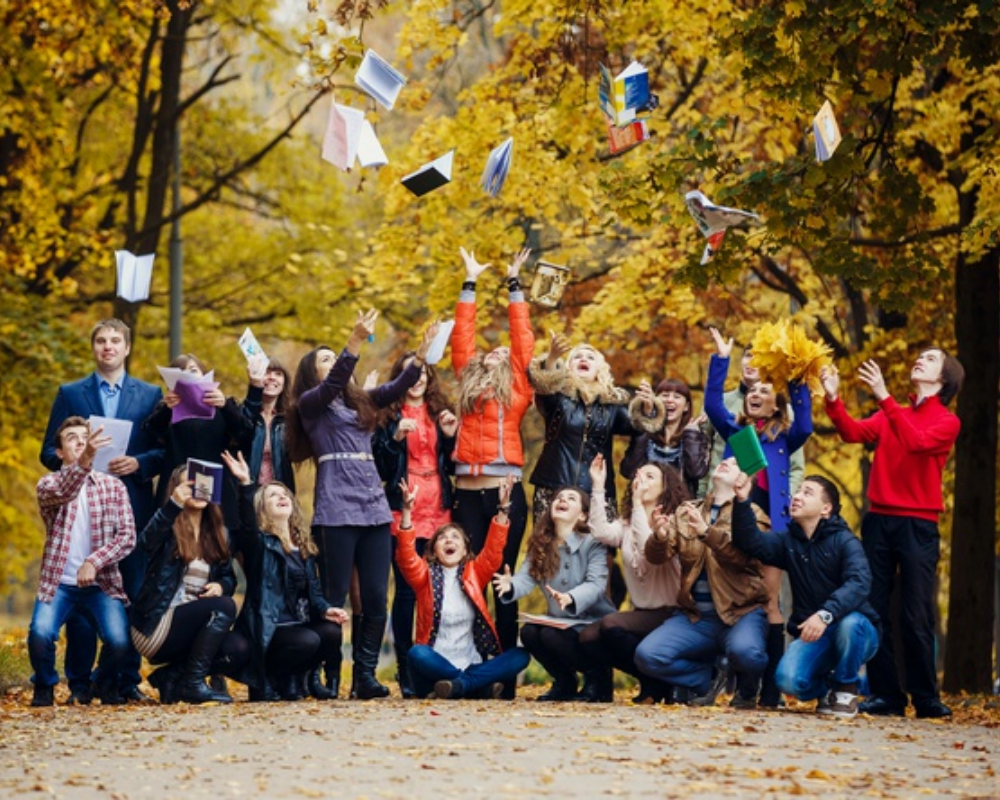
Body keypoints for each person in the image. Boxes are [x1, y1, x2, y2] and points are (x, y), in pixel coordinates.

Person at [285, 310, 438, 700]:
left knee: (374, 596)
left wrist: (420, 355)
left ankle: (365, 676)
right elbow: (335, 380)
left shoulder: (360, 403)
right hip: (336, 507)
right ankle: (328, 675)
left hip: (372, 505)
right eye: (324, 360)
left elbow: (395, 387)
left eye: (333, 358)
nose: (333, 365)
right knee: (334, 596)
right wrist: (353, 342)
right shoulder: (311, 404)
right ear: (311, 373)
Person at [820, 350, 963, 719]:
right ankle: (887, 695)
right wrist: (833, 399)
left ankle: (926, 697)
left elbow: (915, 441)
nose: (919, 360)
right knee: (875, 610)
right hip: (880, 522)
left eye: (930, 359)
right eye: (919, 356)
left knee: (916, 613)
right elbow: (851, 432)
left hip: (918, 525)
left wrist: (884, 396)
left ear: (944, 378)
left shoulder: (947, 421)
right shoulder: (891, 414)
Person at [40, 318, 164, 704]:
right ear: (93, 348)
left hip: (131, 510)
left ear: (127, 348)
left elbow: (164, 452)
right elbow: (48, 452)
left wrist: (139, 463)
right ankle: (79, 684)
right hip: (80, 514)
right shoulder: (71, 393)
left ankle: (122, 681)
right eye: (101, 341)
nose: (108, 347)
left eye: (115, 341)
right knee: (81, 600)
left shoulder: (149, 394)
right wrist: (77, 464)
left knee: (130, 594)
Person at [703, 327, 813, 706]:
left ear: (776, 406)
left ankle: (768, 690)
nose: (755, 394)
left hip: (774, 530)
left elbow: (807, 425)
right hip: (738, 524)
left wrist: (799, 376)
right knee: (738, 598)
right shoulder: (736, 432)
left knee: (769, 601)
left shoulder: (785, 438)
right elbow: (713, 406)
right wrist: (721, 360)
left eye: (765, 391)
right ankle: (741, 682)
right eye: (751, 391)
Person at [730, 472, 880, 718]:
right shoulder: (788, 541)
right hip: (815, 636)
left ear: (826, 509)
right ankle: (826, 690)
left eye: (807, 493)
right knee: (788, 680)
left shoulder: (845, 541)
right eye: (797, 491)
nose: (796, 497)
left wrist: (825, 614)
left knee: (851, 624)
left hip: (858, 633)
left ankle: (846, 689)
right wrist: (743, 500)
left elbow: (860, 582)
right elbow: (750, 543)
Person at [450, 246, 534, 681]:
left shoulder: (519, 384)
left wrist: (514, 283)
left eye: (505, 353)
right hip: (466, 491)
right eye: (492, 351)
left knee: (503, 575)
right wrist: (470, 282)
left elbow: (522, 339)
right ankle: (467, 660)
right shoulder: (468, 381)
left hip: (506, 492)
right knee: (467, 575)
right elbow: (462, 337)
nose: (499, 352)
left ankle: (504, 672)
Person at [637, 457, 771, 707]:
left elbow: (748, 558)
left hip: (740, 614)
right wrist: (659, 536)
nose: (726, 462)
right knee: (648, 656)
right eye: (724, 459)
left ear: (745, 479)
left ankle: (749, 687)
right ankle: (707, 680)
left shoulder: (754, 515)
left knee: (747, 654)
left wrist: (706, 534)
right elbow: (656, 558)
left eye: (734, 463)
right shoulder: (687, 510)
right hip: (697, 617)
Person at [223, 451, 348, 702]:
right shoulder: (259, 544)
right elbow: (247, 525)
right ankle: (266, 677)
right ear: (262, 509)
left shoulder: (303, 547)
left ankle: (294, 680)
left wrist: (325, 610)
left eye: (284, 494)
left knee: (331, 632)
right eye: (272, 496)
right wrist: (246, 484)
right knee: (308, 640)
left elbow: (313, 591)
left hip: (297, 623)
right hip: (270, 628)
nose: (281, 497)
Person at [28, 418, 136, 707]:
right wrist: (86, 460)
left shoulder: (114, 487)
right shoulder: (49, 484)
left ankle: (103, 683)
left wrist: (94, 561)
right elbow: (66, 489)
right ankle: (44, 685)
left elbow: (127, 537)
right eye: (71, 438)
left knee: (119, 641)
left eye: (84, 437)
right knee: (40, 634)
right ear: (60, 452)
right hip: (59, 583)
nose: (79, 441)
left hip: (102, 584)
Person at [394, 476, 530, 699]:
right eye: (442, 538)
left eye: (455, 537)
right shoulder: (424, 576)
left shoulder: (475, 573)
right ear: (433, 550)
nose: (449, 541)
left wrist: (503, 509)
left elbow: (494, 550)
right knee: (417, 653)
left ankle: (460, 685)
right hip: (434, 669)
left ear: (466, 548)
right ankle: (474, 685)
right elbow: (406, 557)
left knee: (520, 655)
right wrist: (407, 512)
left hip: (472, 663)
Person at [373, 351, 457, 698]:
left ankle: (435, 663)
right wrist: (393, 439)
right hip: (403, 505)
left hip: (438, 506)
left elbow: (454, 464)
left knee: (435, 588)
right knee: (407, 590)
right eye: (409, 372)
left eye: (422, 371)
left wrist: (451, 437)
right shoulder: (387, 413)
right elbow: (378, 466)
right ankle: (406, 667)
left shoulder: (440, 411)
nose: (417, 377)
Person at [129, 465, 249, 705]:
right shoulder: (167, 524)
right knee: (225, 607)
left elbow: (229, 577)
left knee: (238, 647)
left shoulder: (218, 532)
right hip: (155, 624)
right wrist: (173, 505)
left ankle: (170, 677)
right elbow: (146, 542)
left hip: (193, 626)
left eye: (202, 484)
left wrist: (221, 586)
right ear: (177, 491)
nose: (198, 490)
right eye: (189, 485)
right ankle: (193, 684)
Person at [492, 487, 616, 701]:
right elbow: (525, 578)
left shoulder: (593, 543)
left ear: (583, 515)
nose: (562, 500)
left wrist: (571, 598)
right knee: (529, 633)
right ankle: (565, 681)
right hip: (561, 622)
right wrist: (510, 585)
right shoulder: (540, 545)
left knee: (550, 635)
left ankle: (597, 679)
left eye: (571, 498)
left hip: (592, 623)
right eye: (558, 497)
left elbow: (596, 585)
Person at [580, 455, 685, 704]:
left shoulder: (671, 523)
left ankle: (656, 683)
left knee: (609, 624)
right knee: (587, 638)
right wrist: (597, 485)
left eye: (650, 476)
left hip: (670, 612)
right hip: (642, 613)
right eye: (639, 474)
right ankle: (653, 683)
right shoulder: (626, 524)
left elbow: (650, 548)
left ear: (665, 487)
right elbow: (600, 531)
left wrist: (638, 505)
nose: (641, 479)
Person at [528, 336, 651, 520]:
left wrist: (648, 408)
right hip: (554, 486)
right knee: (549, 545)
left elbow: (639, 427)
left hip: (597, 490)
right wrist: (553, 357)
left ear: (599, 370)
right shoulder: (557, 399)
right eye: (577, 356)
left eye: (590, 357)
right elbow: (543, 386)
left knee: (597, 548)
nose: (584, 359)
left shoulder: (612, 407)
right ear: (568, 367)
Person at [143, 352, 255, 533]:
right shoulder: (166, 408)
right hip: (178, 480)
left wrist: (225, 406)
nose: (188, 374)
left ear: (204, 374)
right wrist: (166, 409)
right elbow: (151, 433)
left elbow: (245, 435)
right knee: (175, 537)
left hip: (217, 480)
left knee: (218, 536)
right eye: (181, 372)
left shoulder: (224, 405)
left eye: (193, 370)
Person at [621, 378, 710, 499]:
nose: (669, 400)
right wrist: (647, 421)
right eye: (665, 395)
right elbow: (628, 470)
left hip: (680, 509)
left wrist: (691, 433)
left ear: (686, 407)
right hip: (645, 504)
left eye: (677, 396)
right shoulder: (645, 434)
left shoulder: (694, 437)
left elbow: (696, 472)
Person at [241, 356, 296, 491]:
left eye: (278, 374)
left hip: (280, 493)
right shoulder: (241, 414)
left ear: (284, 382)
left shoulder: (290, 420)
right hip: (247, 492)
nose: (272, 377)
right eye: (266, 372)